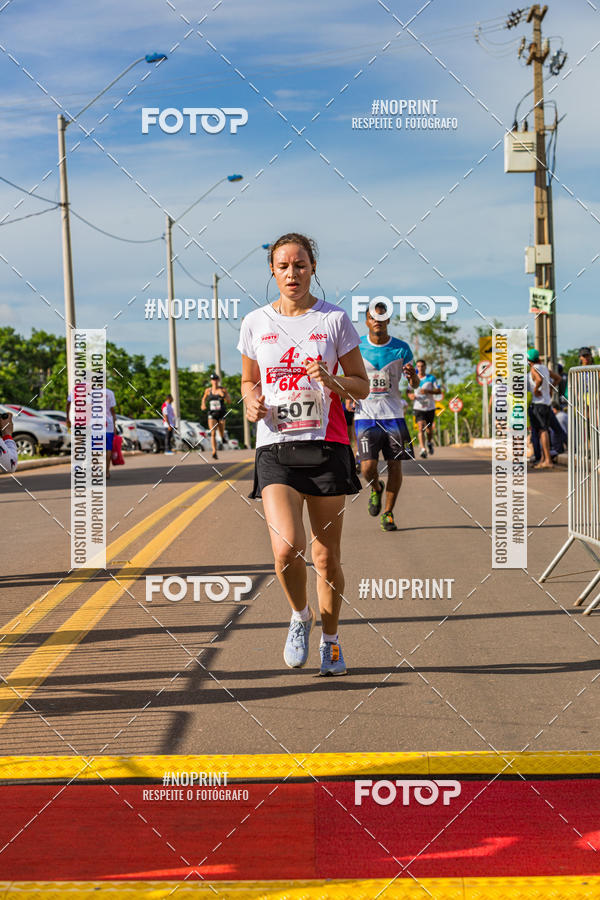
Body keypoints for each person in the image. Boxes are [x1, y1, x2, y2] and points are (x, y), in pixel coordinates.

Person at [238, 232, 369, 676]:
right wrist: (251, 400)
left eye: (300, 265)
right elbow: (248, 382)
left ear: (313, 268)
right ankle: (300, 616)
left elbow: (361, 384)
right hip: (276, 446)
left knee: (326, 556)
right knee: (285, 550)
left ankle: (331, 642)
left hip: (328, 446)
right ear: (272, 272)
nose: (292, 273)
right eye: (283, 266)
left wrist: (331, 381)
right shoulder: (255, 322)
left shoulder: (334, 320)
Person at [353, 302, 418, 532]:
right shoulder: (356, 347)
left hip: (394, 416)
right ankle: (376, 488)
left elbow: (415, 383)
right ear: (367, 321)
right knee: (367, 468)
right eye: (373, 318)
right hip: (365, 416)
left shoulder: (401, 349)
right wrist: (349, 395)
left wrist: (412, 378)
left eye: (382, 318)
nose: (378, 322)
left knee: (395, 466)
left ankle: (388, 513)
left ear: (388, 320)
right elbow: (349, 377)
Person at [66, 385, 117, 478]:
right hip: (107, 423)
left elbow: (78, 405)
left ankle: (89, 469)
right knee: (107, 448)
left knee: (92, 447)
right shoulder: (109, 393)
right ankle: (106, 472)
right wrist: (114, 426)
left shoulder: (89, 392)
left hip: (93, 422)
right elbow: (113, 411)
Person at [527, 348, 561, 470]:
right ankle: (543, 459)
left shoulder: (533, 369)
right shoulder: (545, 368)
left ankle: (547, 460)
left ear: (529, 361)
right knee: (543, 430)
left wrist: (536, 389)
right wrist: (551, 389)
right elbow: (558, 378)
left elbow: (539, 380)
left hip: (538, 404)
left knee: (542, 431)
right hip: (547, 403)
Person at [410, 359, 440, 459]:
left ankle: (429, 442)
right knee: (420, 427)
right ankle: (423, 449)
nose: (420, 368)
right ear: (416, 368)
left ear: (425, 367)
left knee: (429, 430)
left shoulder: (431, 378)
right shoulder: (413, 378)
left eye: (422, 366)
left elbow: (438, 391)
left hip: (430, 407)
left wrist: (428, 391)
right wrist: (411, 396)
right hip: (418, 407)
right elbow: (408, 391)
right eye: (418, 366)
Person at [201, 373, 231, 460]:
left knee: (221, 430)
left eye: (216, 379)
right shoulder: (208, 390)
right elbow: (204, 398)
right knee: (213, 432)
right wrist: (203, 405)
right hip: (212, 413)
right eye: (213, 379)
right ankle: (214, 451)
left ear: (218, 380)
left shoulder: (223, 390)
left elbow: (229, 401)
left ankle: (222, 437)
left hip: (221, 413)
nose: (214, 381)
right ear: (211, 381)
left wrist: (224, 395)